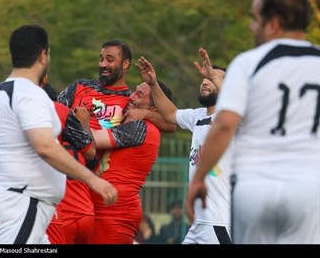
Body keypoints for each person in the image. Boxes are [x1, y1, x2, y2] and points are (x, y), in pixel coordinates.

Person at [185, 0, 320, 244]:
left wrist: (199, 178)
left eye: (256, 18)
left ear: (274, 23)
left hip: (256, 188)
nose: (251, 26)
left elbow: (224, 124)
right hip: (311, 190)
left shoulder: (249, 64)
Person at [0, 24, 117, 244]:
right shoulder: (32, 94)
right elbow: (45, 147)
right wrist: (92, 179)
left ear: (12, 55)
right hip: (21, 202)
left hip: (0, 200)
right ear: (43, 55)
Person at [57, 39, 175, 243]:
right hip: (72, 197)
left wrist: (146, 112)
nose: (103, 64)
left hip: (108, 205)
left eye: (110, 59)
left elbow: (171, 123)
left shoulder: (129, 106)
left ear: (125, 64)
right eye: (101, 58)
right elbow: (50, 116)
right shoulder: (79, 87)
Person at [136, 48, 233, 244]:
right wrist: (153, 84)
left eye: (212, 78)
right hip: (198, 224)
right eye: (204, 78)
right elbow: (170, 114)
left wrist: (213, 75)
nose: (205, 81)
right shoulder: (197, 116)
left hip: (218, 222)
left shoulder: (231, 119)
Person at [88, 80, 173, 244]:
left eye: (139, 94)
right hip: (102, 210)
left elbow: (89, 140)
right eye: (134, 91)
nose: (131, 97)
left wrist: (74, 117)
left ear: (154, 108)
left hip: (114, 214)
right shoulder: (136, 122)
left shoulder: (141, 127)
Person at [43, 82, 100, 244]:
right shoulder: (80, 146)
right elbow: (97, 171)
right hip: (86, 215)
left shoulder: (45, 145)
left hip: (63, 216)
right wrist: (85, 124)